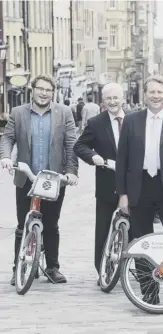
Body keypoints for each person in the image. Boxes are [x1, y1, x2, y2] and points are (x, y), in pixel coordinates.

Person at [115, 75, 163, 309]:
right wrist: (123, 194)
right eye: (151, 92)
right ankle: (148, 293)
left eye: (160, 92)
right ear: (144, 95)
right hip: (140, 188)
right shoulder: (131, 121)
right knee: (141, 242)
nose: (156, 96)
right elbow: (122, 159)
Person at [0, 74, 78, 285]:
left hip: (53, 179)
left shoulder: (64, 113)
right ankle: (20, 268)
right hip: (26, 177)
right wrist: (6, 157)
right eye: (40, 89)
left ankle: (52, 268)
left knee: (51, 225)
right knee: (22, 225)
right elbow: (7, 138)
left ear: (53, 93)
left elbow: (71, 144)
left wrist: (71, 172)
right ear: (32, 90)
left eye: (48, 90)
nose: (44, 93)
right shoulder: (18, 113)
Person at [73, 83, 130, 285]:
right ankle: (103, 270)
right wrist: (94, 156)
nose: (113, 102)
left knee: (136, 228)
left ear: (123, 98)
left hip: (133, 185)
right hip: (107, 184)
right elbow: (79, 146)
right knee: (104, 229)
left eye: (116, 98)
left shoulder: (135, 119)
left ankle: (135, 269)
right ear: (103, 101)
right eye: (109, 99)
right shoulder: (97, 122)